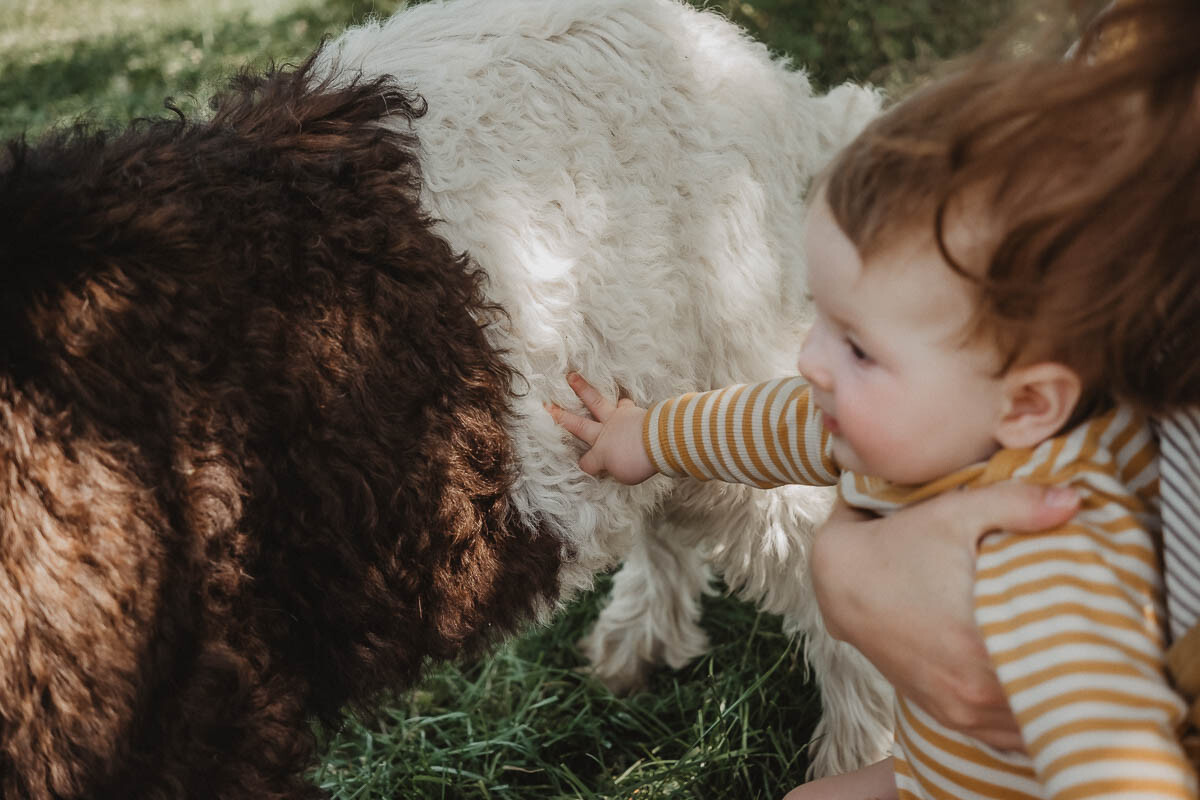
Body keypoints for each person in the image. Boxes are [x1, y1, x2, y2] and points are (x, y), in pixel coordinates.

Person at [547, 3, 1200, 795]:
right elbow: (768, 421)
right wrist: (651, 434)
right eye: (820, 318)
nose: (813, 361)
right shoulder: (923, 409)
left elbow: (1120, 769)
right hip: (935, 769)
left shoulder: (1050, 549)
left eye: (856, 344)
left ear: (1028, 407)